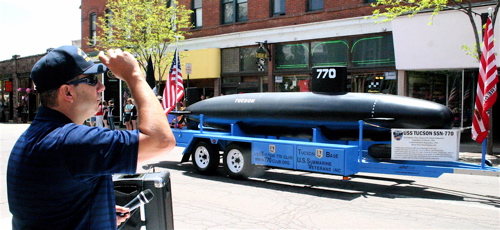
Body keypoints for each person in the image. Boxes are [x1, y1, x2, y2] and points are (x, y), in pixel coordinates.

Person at [7, 46, 175, 229]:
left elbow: (49, 205)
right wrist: (134, 76)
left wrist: (96, 211)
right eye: (92, 80)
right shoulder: (70, 141)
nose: (101, 87)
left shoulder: (34, 136)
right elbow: (161, 141)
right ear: (67, 92)